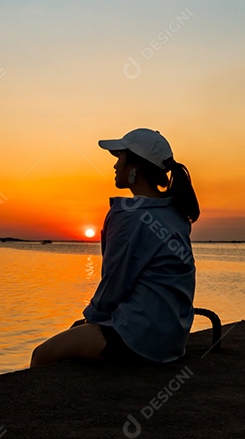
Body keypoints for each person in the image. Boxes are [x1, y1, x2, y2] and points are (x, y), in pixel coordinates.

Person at [29, 128, 200, 368]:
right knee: (81, 334)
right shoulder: (174, 213)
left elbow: (113, 285)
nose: (115, 165)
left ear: (135, 168)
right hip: (172, 340)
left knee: (41, 355)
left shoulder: (130, 216)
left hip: (139, 340)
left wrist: (89, 320)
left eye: (120, 157)